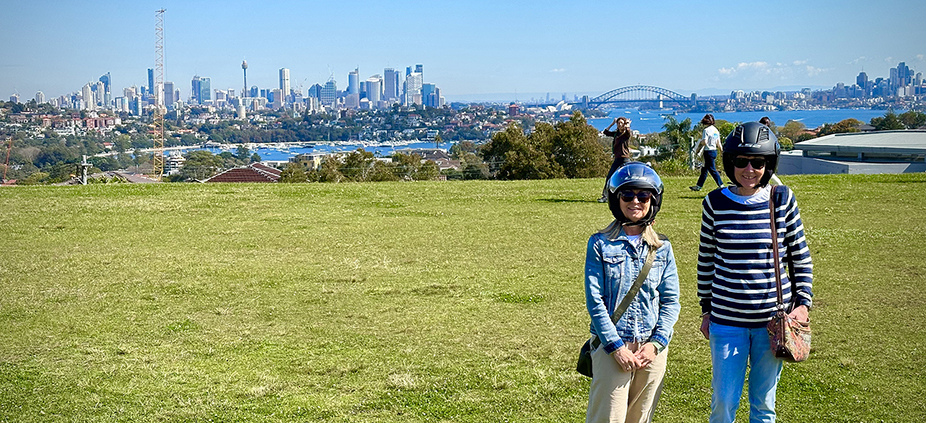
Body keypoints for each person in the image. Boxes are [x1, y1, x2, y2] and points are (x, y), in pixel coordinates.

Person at [696, 122, 814, 423]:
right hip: (726, 321)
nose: (749, 169)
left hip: (772, 324)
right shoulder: (714, 203)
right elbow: (706, 261)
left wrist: (802, 303)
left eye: (758, 162)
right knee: (723, 402)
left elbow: (799, 256)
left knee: (764, 406)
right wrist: (706, 310)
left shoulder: (782, 199)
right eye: (741, 161)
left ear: (769, 163)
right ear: (730, 162)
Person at [585, 162, 681, 423]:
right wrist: (616, 347)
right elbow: (595, 302)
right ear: (617, 200)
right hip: (611, 346)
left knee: (640, 418)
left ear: (653, 200)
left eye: (643, 195)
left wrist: (656, 344)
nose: (635, 201)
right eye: (628, 195)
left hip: (650, 347)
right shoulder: (600, 244)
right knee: (608, 418)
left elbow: (671, 301)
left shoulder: (662, 248)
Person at [599, 117, 633, 202]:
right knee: (610, 177)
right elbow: (606, 132)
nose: (619, 125)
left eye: (621, 123)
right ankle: (605, 197)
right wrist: (612, 123)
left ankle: (630, 196)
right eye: (618, 123)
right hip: (617, 159)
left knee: (627, 179)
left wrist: (628, 124)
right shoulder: (616, 134)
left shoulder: (625, 134)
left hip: (625, 159)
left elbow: (628, 131)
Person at [689, 114, 724, 191]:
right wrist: (721, 151)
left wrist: (699, 142)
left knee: (712, 169)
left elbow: (704, 142)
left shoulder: (706, 130)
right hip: (714, 151)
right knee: (704, 169)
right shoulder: (716, 130)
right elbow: (718, 143)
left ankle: (721, 185)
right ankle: (699, 186)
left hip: (708, 151)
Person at [759, 117, 784, 186]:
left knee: (769, 172)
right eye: (764, 123)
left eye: (767, 124)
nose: (766, 125)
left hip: (768, 156)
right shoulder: (759, 133)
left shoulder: (770, 134)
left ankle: (780, 185)